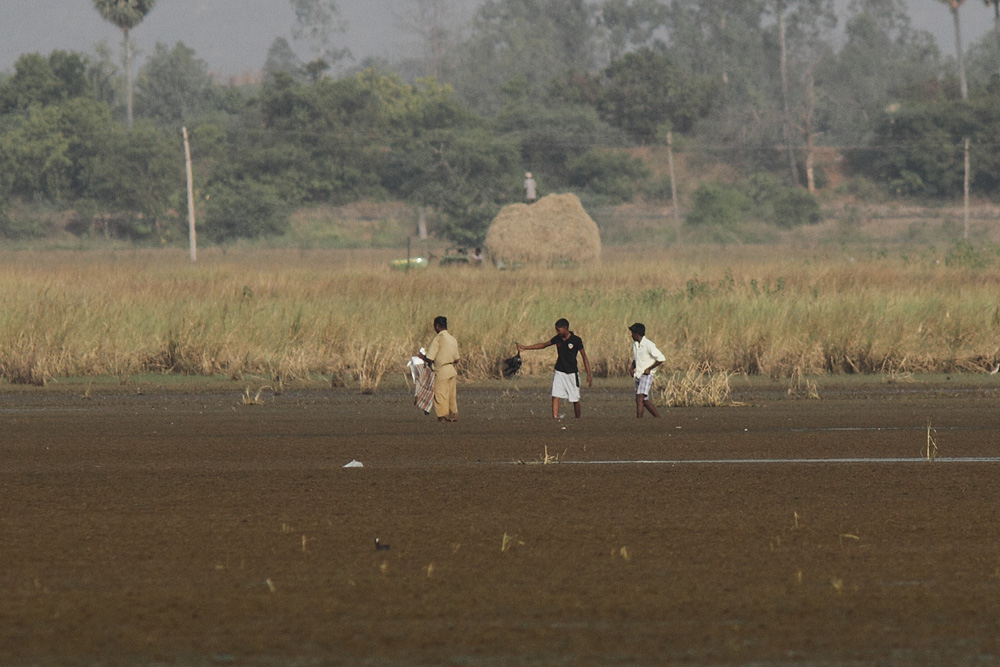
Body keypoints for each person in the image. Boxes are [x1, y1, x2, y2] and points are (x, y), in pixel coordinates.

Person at [518, 318, 592, 418]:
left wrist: (589, 374)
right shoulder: (558, 338)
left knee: (575, 399)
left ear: (565, 329)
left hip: (571, 373)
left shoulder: (576, 340)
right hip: (559, 371)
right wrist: (525, 347)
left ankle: (578, 420)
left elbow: (584, 357)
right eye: (556, 330)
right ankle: (555, 419)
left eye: (558, 330)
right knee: (555, 396)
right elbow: (544, 345)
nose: (557, 332)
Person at [419, 316, 460, 422]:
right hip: (451, 370)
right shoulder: (452, 339)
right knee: (451, 395)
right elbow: (457, 359)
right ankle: (453, 416)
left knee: (440, 394)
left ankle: (443, 416)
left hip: (441, 370)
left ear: (437, 326)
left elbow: (430, 358)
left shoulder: (438, 339)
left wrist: (421, 357)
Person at [629, 322, 665, 418]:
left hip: (646, 375)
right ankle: (658, 418)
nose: (631, 335)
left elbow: (661, 358)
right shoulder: (635, 345)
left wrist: (649, 368)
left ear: (637, 334)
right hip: (638, 375)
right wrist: (632, 368)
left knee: (639, 397)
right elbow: (636, 358)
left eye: (632, 333)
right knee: (644, 400)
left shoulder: (649, 345)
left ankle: (639, 421)